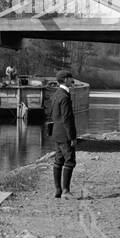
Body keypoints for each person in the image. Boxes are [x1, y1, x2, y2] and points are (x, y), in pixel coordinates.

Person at [46, 69, 78, 199]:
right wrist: (72, 137)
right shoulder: (65, 96)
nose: (72, 80)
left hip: (56, 133)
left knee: (58, 161)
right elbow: (67, 119)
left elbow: (51, 114)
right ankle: (66, 191)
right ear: (65, 80)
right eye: (70, 78)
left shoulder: (56, 95)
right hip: (65, 134)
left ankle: (58, 190)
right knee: (70, 161)